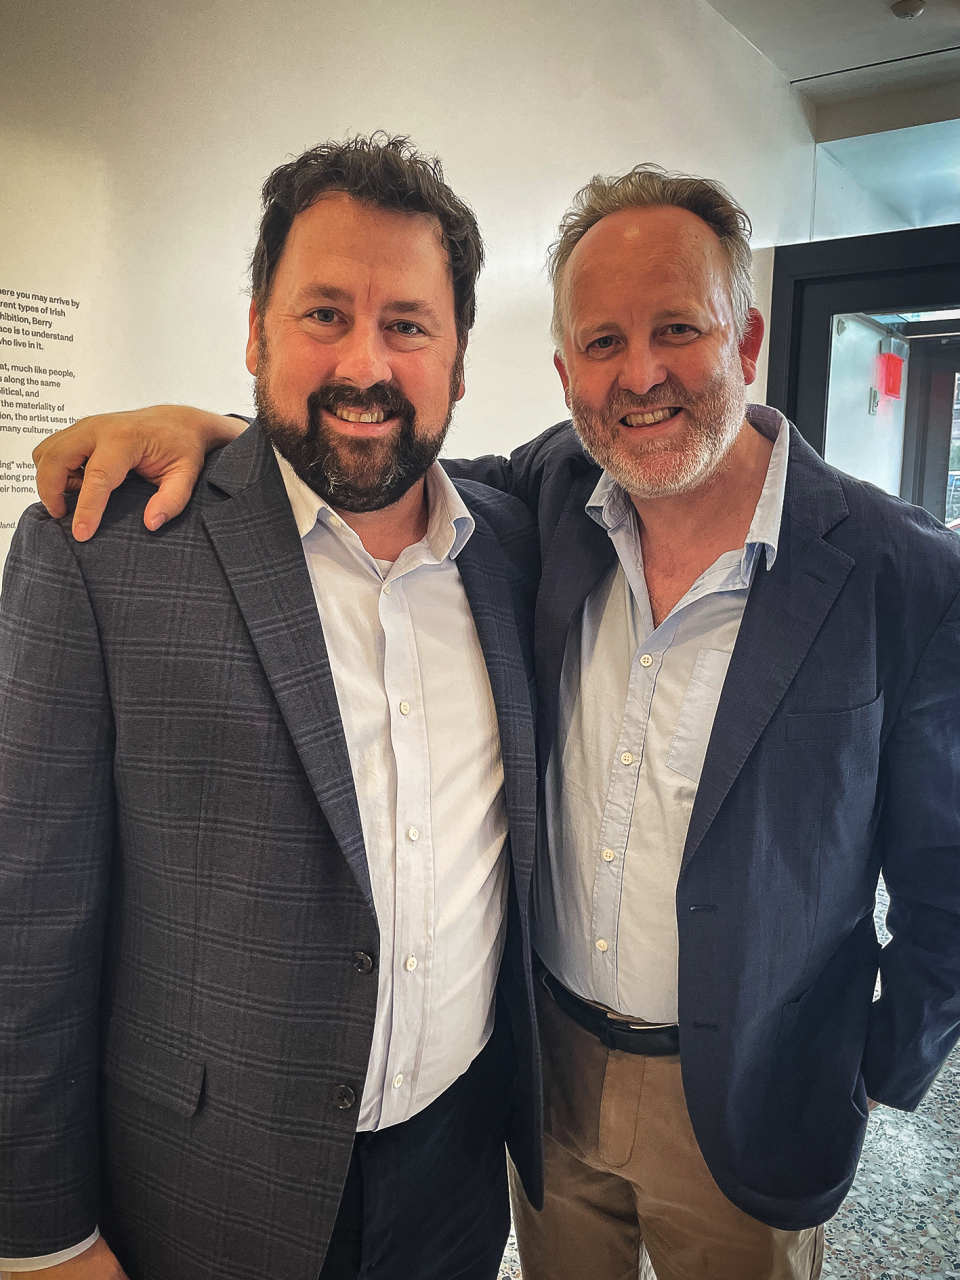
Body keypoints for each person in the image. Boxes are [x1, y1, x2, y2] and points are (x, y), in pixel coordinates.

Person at [28, 164, 960, 1280]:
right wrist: (219, 430)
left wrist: (870, 1067)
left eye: (679, 328)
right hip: (539, 1090)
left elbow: (950, 879)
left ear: (747, 339)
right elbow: (361, 460)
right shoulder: (546, 505)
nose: (642, 374)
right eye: (603, 342)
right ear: (563, 372)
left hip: (752, 1100)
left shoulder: (904, 573)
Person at [0, 136, 544, 1280]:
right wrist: (40, 1232)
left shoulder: (515, 547)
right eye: (323, 314)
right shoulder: (100, 547)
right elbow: (24, 916)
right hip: (199, 1191)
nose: (366, 361)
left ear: (458, 358)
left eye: (408, 323)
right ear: (255, 331)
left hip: (455, 1173)